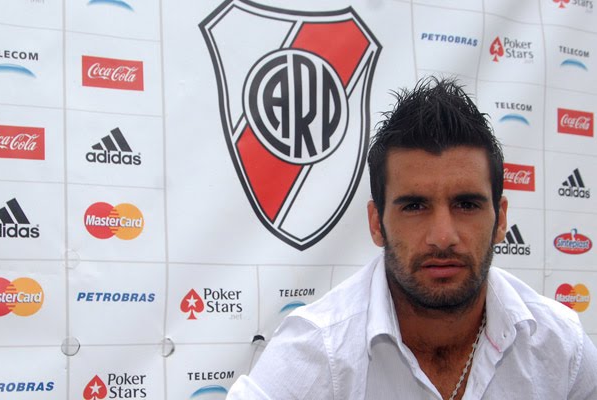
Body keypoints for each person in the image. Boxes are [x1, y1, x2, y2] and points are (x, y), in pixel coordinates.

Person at [227, 77, 597, 399]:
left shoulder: (561, 346)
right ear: (377, 223)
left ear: (500, 220)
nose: (443, 237)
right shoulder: (318, 349)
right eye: (415, 206)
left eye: (466, 204)